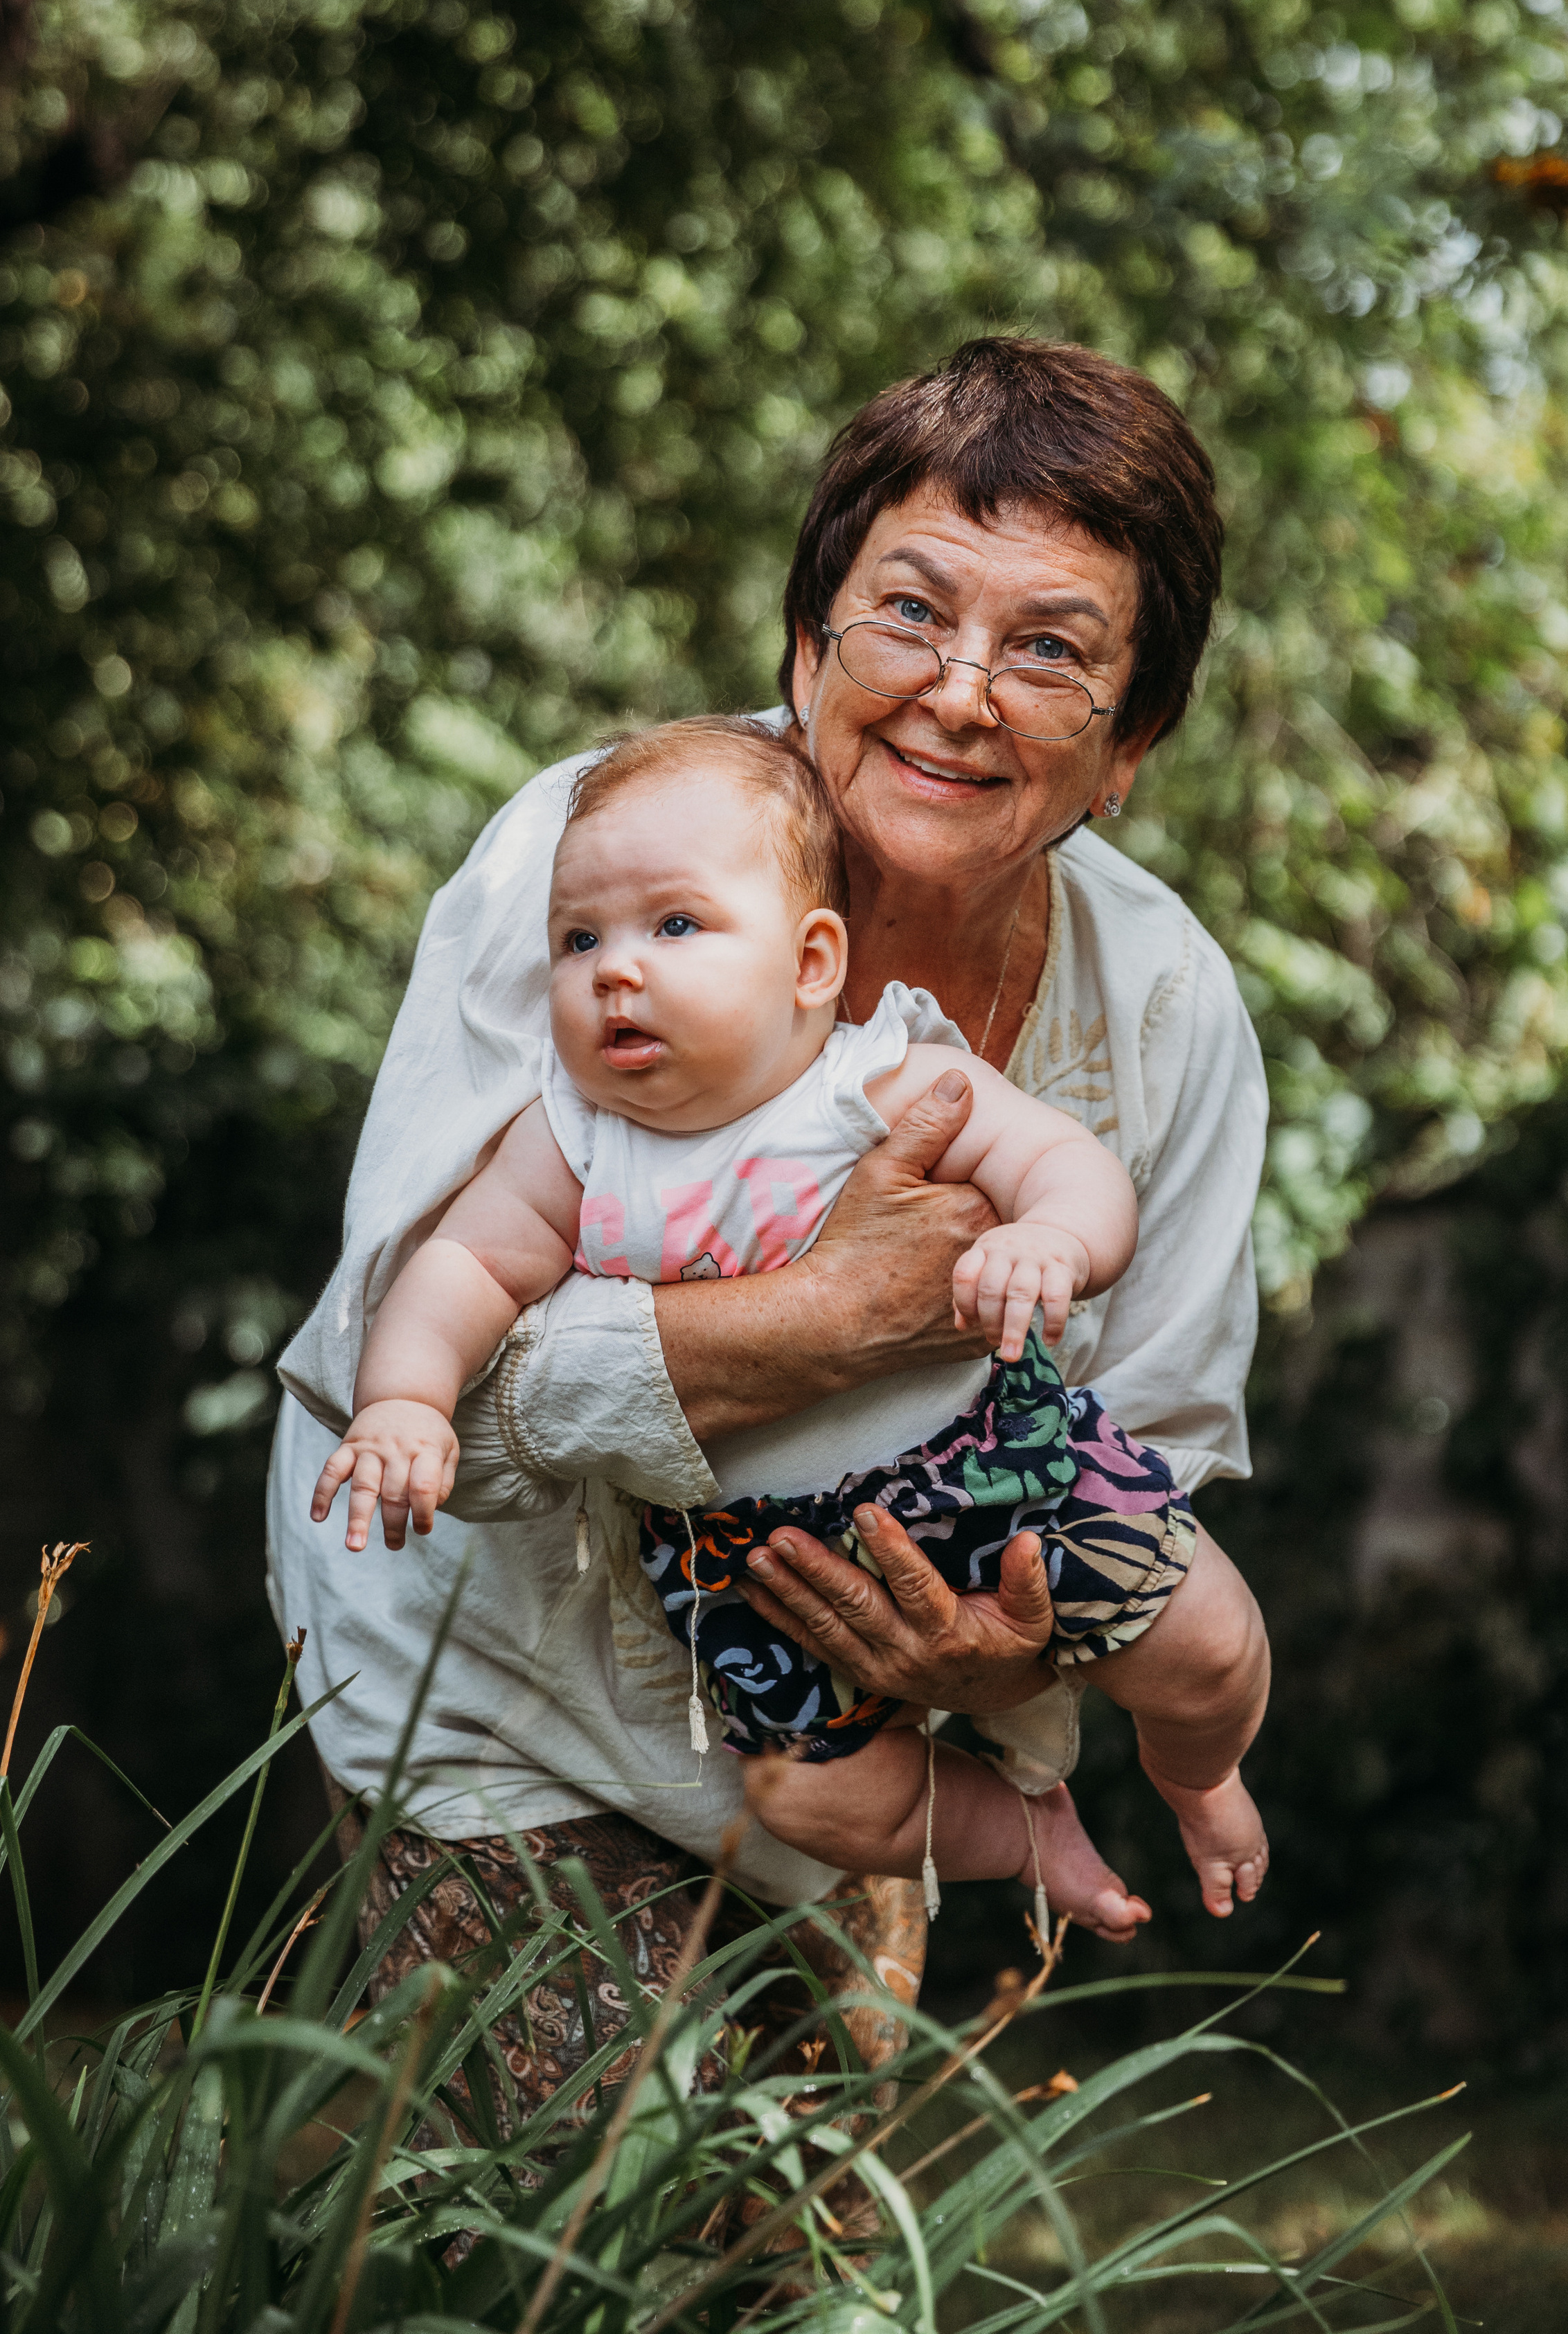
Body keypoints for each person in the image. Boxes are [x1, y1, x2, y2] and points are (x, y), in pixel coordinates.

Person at [270, 335, 1271, 2123]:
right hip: (497, 1694)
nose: (961, 694)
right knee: (628, 2200)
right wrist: (843, 1310)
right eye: (910, 615)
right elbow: (414, 1393)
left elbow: (1156, 1453)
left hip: (847, 1740)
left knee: (809, 2228)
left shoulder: (1164, 1011)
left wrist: (1013, 1654)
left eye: (1050, 650)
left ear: (1128, 745)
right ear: (808, 652)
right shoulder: (599, 872)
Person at [306, 715, 1267, 1935]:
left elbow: (1068, 1167)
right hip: (755, 1560)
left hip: (1002, 1463)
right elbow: (462, 1269)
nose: (614, 970)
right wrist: (403, 1398)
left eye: (674, 926)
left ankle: (1200, 1775)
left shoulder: (875, 1082)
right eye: (579, 939)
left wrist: (1055, 1241)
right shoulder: (574, 1143)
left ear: (812, 961)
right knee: (818, 1800)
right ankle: (1027, 1839)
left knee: (1210, 1644)